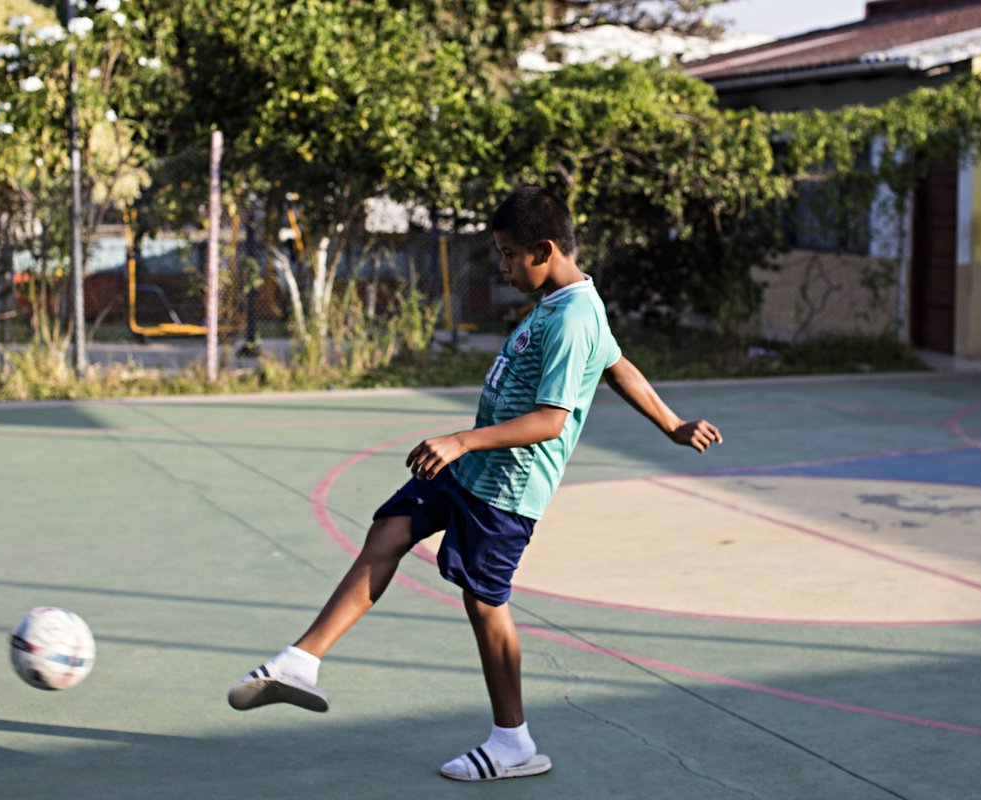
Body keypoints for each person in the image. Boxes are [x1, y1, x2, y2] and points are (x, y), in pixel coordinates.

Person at [227, 186, 722, 782]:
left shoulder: (571, 317)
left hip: (507, 488)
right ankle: (301, 660)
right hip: (473, 469)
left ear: (544, 249)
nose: (505, 267)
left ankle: (513, 743)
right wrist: (672, 424)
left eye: (510, 255)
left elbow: (551, 420)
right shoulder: (563, 298)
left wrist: (460, 440)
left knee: (486, 603)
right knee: (390, 526)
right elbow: (618, 364)